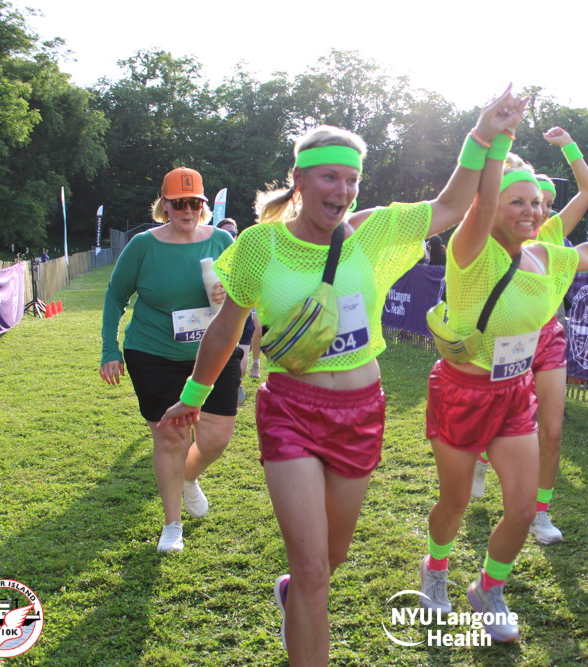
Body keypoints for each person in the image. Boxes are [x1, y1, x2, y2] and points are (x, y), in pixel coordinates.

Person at [157, 87, 526, 664]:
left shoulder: (372, 233)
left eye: (352, 180)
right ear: (300, 181)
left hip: (361, 413)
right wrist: (193, 397)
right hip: (291, 412)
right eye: (330, 177)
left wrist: (484, 135)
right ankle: (302, 601)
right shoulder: (259, 245)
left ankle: (293, 596)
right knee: (312, 570)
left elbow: (452, 206)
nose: (343, 190)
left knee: (331, 559)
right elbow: (227, 328)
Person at [420, 118, 588, 642]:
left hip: (514, 395)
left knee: (521, 508)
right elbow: (479, 203)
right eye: (517, 202)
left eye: (536, 203)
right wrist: (499, 138)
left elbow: (586, 255)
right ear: (489, 205)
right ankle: (436, 568)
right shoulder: (471, 252)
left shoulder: (545, 254)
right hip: (462, 394)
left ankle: (488, 588)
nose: (532, 211)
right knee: (454, 504)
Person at [470, 126, 588, 550]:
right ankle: (481, 457)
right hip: (509, 338)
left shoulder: (553, 231)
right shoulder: (496, 236)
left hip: (548, 338)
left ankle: (540, 512)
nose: (538, 209)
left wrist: (569, 145)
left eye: (544, 202)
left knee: (553, 430)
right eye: (529, 200)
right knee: (497, 420)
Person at [99, 167, 238, 553]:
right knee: (170, 436)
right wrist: (110, 350)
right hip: (153, 352)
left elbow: (245, 295)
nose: (187, 210)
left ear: (203, 206)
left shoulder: (222, 240)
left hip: (213, 352)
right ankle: (172, 524)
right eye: (179, 203)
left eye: (194, 203)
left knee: (216, 438)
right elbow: (115, 296)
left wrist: (230, 297)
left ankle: (188, 477)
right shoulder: (143, 245)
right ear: (164, 205)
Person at [215, 218, 252, 405]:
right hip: (218, 320)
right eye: (226, 233)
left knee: (242, 367)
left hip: (243, 319)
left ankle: (237, 383)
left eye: (233, 234)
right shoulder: (212, 259)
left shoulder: (245, 256)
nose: (230, 237)